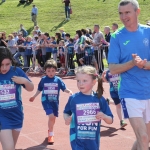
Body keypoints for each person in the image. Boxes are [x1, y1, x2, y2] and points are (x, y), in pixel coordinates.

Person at [108, 0, 150, 149]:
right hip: (130, 92)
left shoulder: (148, 32)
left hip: (149, 91)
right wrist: (132, 63)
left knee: (144, 139)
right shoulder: (116, 36)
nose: (123, 16)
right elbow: (112, 68)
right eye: (120, 13)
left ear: (137, 12)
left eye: (127, 12)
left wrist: (145, 65)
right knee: (143, 138)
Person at [64, 66, 113, 150]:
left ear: (93, 82)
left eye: (84, 81)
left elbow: (110, 120)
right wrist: (66, 118)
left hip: (93, 141)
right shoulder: (73, 98)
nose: (80, 83)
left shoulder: (100, 99)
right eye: (78, 81)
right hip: (76, 139)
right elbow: (66, 112)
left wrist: (104, 116)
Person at [29, 59, 73, 144]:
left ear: (56, 71)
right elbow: (39, 89)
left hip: (55, 102)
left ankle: (50, 129)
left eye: (53, 71)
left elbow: (64, 89)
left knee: (53, 118)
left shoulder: (58, 80)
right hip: (46, 101)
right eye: (48, 71)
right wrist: (34, 96)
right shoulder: (43, 79)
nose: (51, 73)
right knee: (51, 116)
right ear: (45, 71)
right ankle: (51, 134)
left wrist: (69, 91)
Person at [0, 47, 34, 150]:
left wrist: (24, 81)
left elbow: (31, 88)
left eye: (7, 64)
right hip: (2, 116)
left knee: (12, 147)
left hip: (16, 115)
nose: (4, 68)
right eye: (1, 65)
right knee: (9, 147)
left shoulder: (16, 71)